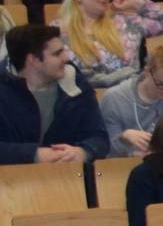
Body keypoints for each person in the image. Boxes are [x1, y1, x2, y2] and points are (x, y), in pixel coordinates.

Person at [2, 23, 112, 164]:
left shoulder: (77, 85)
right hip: (11, 177)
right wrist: (33, 154)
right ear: (34, 60)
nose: (66, 58)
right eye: (57, 53)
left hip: (71, 173)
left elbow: (100, 138)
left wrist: (83, 152)